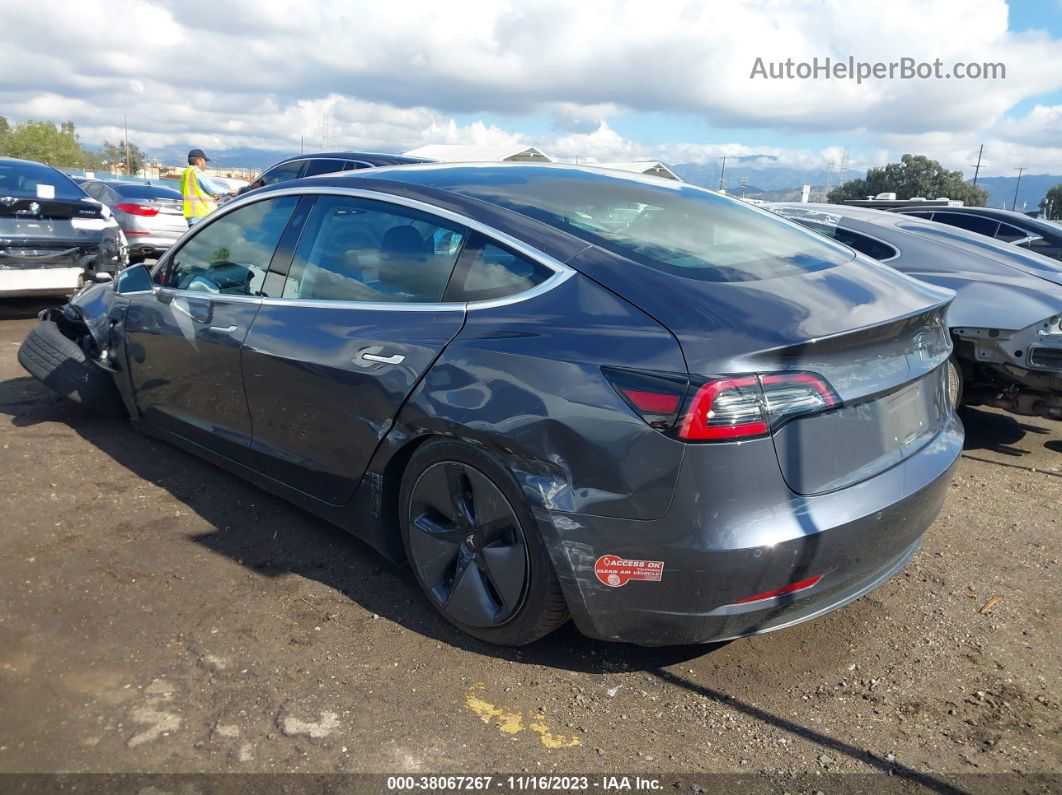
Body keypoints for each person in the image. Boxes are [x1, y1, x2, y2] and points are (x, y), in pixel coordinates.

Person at [180, 148, 232, 226]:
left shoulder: (185, 174)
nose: (205, 164)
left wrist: (211, 197)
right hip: (202, 216)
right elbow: (212, 188)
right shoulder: (197, 172)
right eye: (205, 161)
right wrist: (229, 191)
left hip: (192, 216)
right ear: (198, 161)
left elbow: (194, 193)